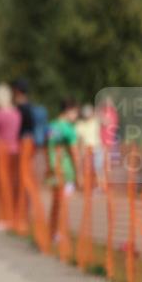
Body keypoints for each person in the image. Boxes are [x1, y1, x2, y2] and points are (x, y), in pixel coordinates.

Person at [47, 99, 82, 242]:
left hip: (53, 169)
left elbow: (47, 148)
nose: (76, 116)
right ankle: (60, 233)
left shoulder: (51, 126)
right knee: (63, 203)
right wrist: (79, 174)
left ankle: (53, 232)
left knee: (56, 203)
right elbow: (74, 153)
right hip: (66, 171)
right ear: (69, 110)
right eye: (75, 113)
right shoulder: (68, 129)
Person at [0, 82, 22, 230]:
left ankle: (3, 217)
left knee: (0, 186)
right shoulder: (16, 113)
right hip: (15, 151)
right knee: (12, 185)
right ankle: (13, 216)